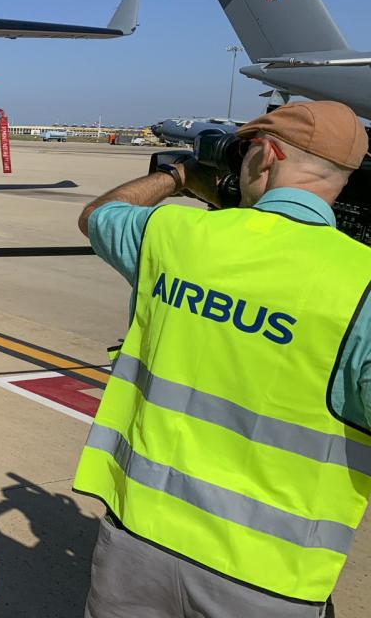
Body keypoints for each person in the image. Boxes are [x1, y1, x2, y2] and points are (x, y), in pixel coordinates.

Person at [75, 101, 371, 617]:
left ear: (266, 154)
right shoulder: (362, 283)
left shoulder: (172, 236)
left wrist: (179, 177)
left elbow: (99, 215)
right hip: (270, 575)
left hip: (140, 538)